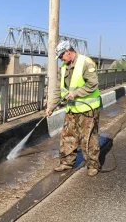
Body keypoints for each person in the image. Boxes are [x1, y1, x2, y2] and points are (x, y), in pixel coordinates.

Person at [46, 40, 101, 177]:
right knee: (67, 136)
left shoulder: (86, 63)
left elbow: (92, 84)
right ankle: (66, 163)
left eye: (61, 56)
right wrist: (51, 106)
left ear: (68, 52)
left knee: (87, 138)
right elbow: (58, 90)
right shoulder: (63, 67)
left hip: (88, 110)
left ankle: (92, 165)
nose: (60, 60)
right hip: (71, 110)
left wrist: (76, 93)